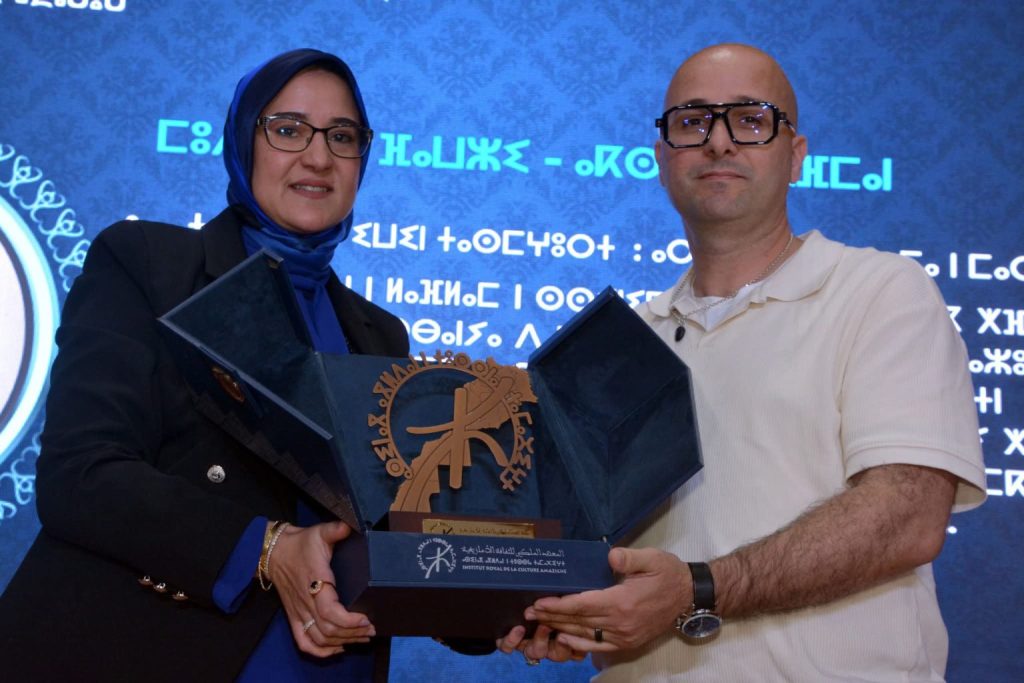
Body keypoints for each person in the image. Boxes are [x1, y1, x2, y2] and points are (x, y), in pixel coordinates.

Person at [498, 43, 986, 681]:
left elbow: (907, 517)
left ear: (796, 155)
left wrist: (698, 589)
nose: (719, 142)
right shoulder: (617, 347)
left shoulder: (881, 291)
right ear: (662, 158)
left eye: (751, 120)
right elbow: (587, 550)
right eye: (693, 121)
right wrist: (559, 609)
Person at [0, 49, 407, 681]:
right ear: (243, 141)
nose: (318, 157)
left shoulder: (381, 336)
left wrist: (519, 606)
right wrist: (265, 549)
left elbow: (399, 541)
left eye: (342, 136)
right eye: (288, 129)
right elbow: (81, 474)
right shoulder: (151, 265)